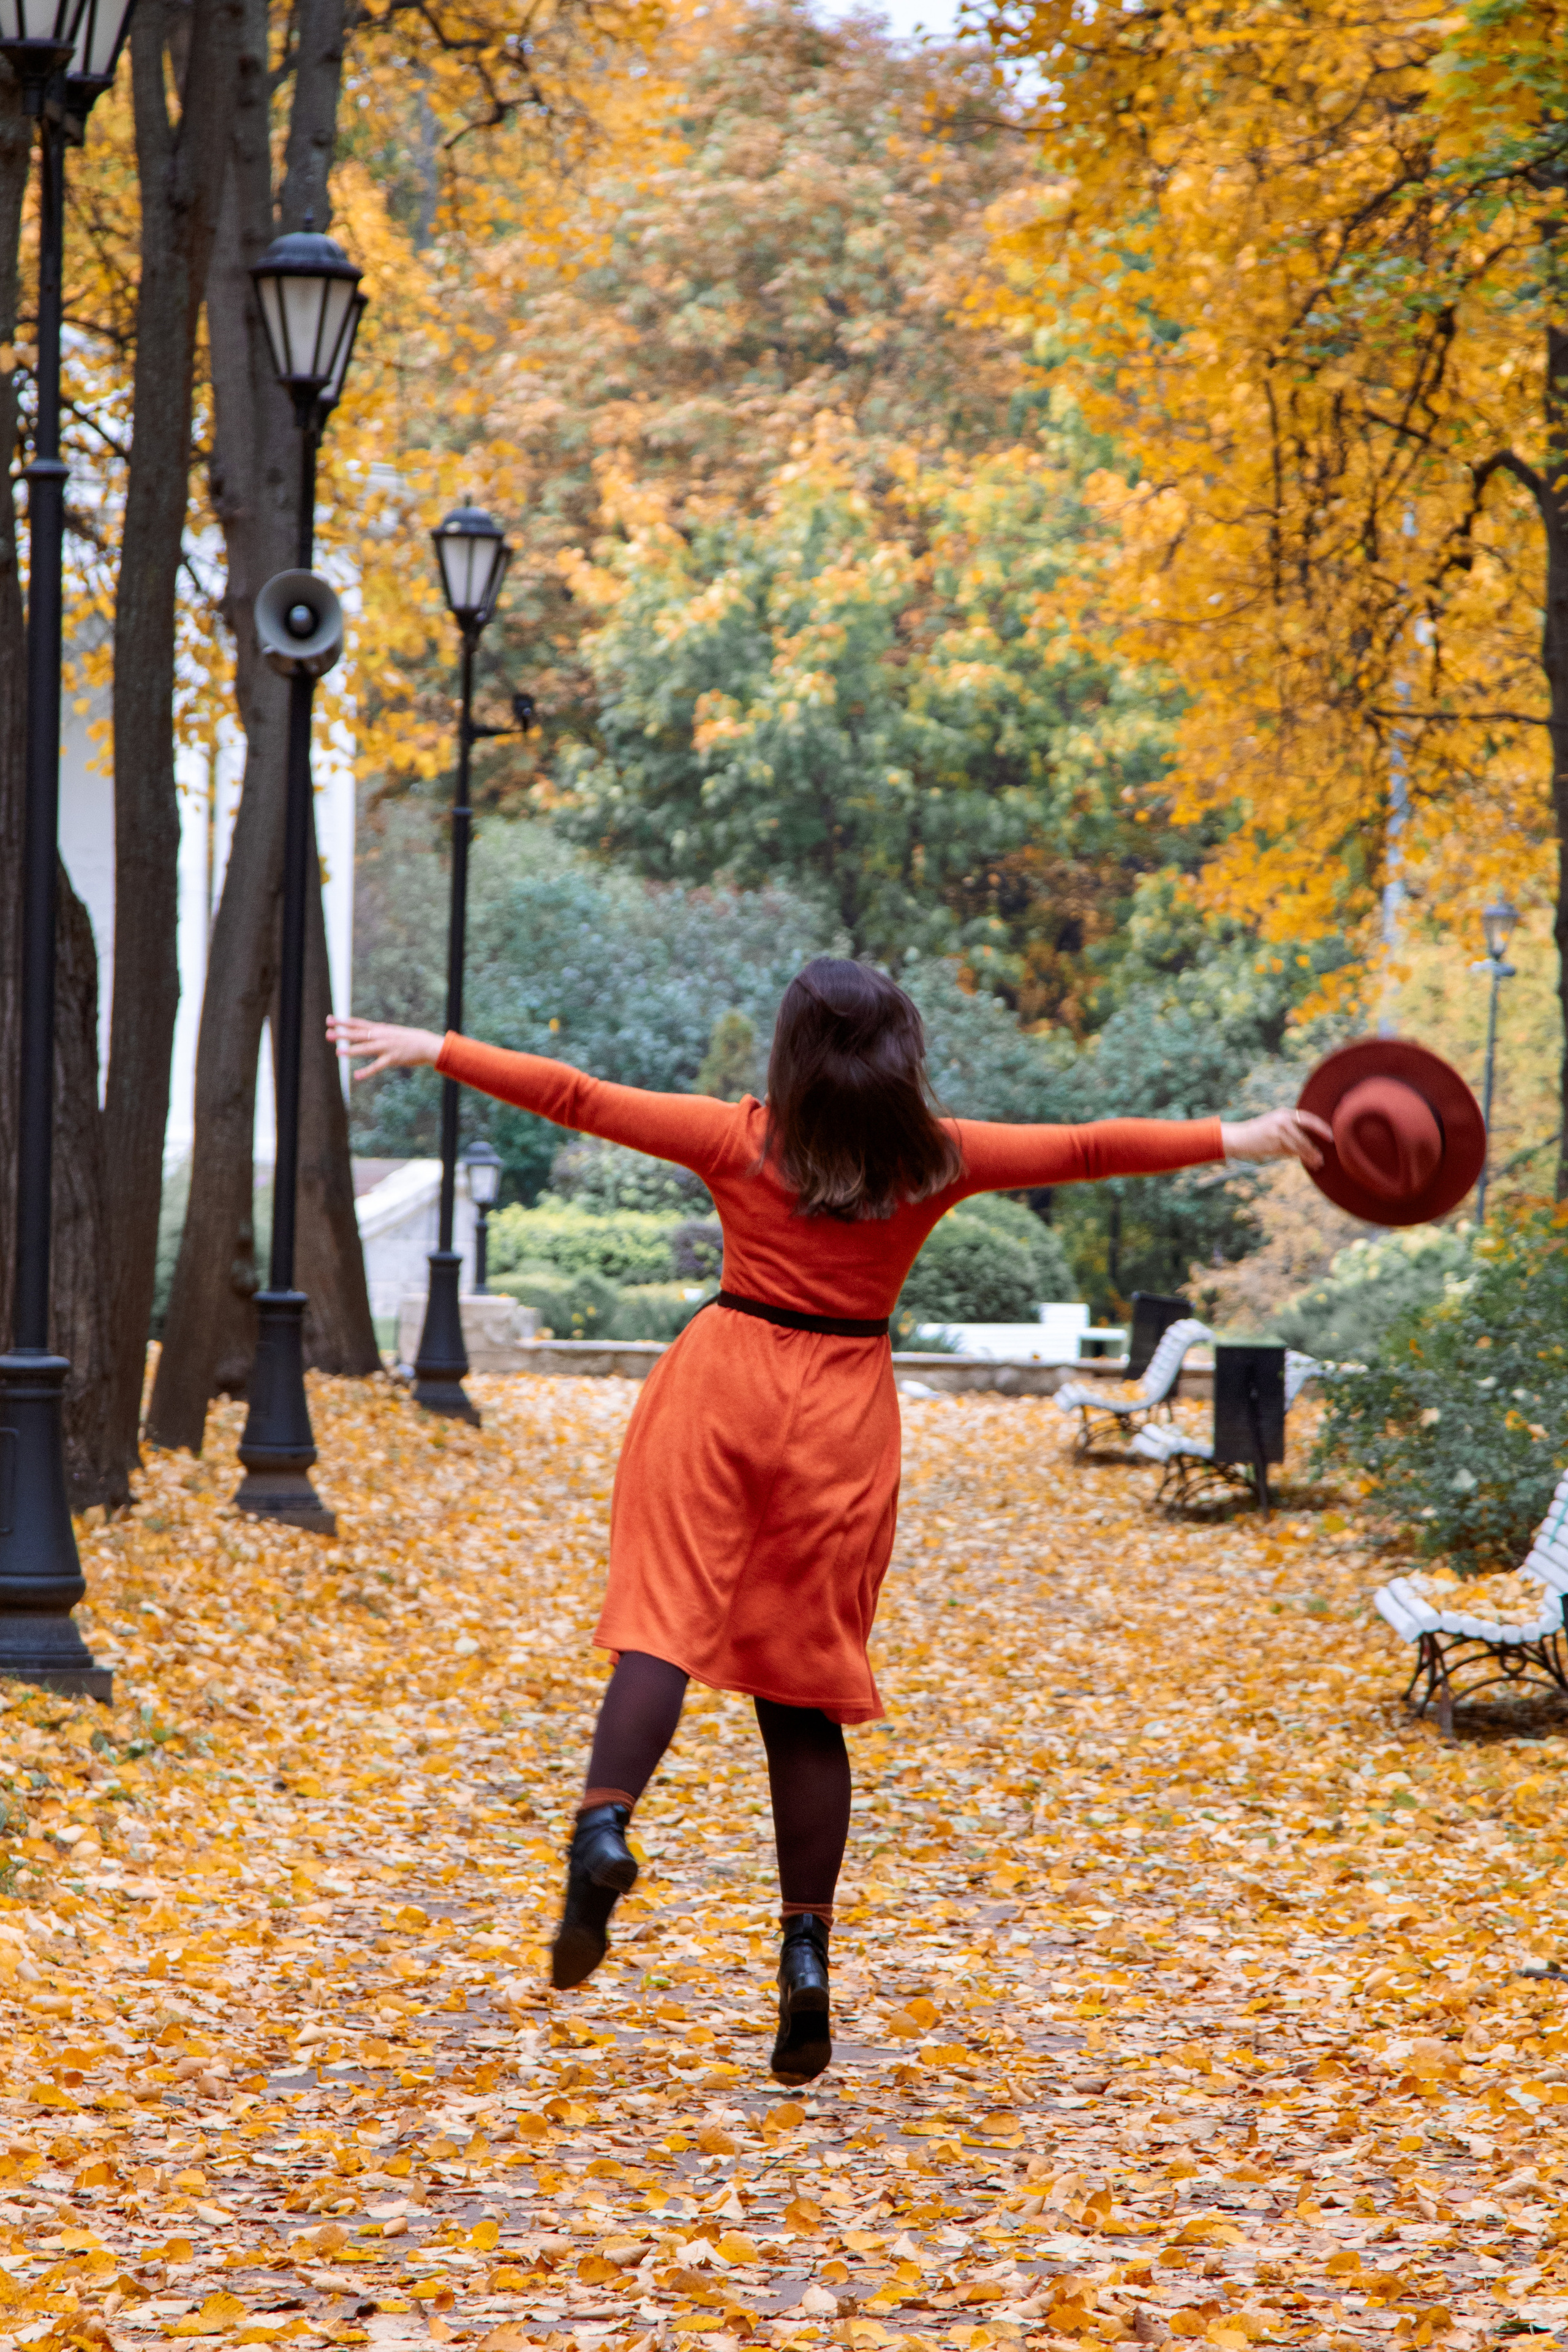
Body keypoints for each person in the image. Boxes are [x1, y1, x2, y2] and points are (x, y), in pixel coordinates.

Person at [329, 961, 1329, 2083]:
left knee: (663, 1621)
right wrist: (1245, 1136)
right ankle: (807, 1955)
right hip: (844, 1417)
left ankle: (603, 1830)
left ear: (793, 1048)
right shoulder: (935, 1156)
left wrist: (439, 1047)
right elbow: (1089, 1147)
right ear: (903, 1048)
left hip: (722, 1388)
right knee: (802, 1688)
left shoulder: (742, 1138)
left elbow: (576, 1095)